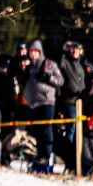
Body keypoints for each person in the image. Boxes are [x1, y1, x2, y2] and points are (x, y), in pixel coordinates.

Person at [22, 40, 64, 173]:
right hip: (32, 104)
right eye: (31, 52)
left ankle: (46, 156)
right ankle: (36, 157)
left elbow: (60, 81)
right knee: (34, 131)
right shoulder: (29, 67)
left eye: (35, 51)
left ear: (40, 52)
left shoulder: (49, 64)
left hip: (46, 102)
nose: (33, 54)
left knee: (46, 130)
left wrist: (48, 77)